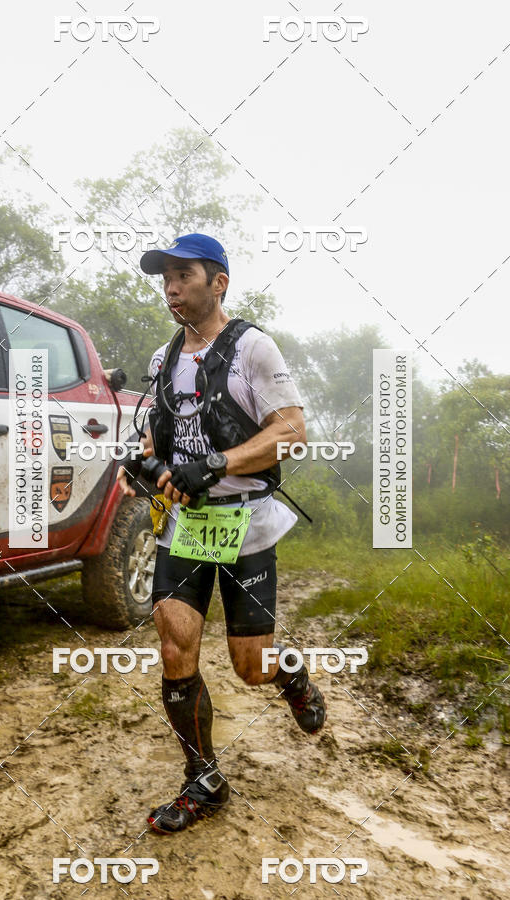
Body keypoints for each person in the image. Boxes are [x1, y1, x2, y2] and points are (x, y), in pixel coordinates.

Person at [117, 233, 325, 834]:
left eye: (184, 275)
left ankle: (291, 675)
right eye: (165, 277)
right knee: (174, 645)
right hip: (185, 525)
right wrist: (145, 462)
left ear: (219, 283)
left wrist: (216, 465)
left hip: (246, 522)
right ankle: (203, 779)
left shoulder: (253, 348)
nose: (171, 288)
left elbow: (292, 432)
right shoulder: (163, 359)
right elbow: (159, 435)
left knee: (250, 666)